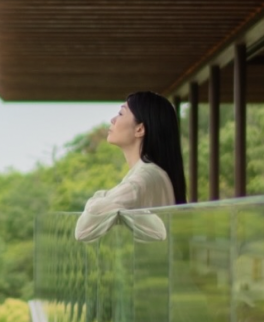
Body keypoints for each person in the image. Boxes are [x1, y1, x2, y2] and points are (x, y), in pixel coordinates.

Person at [75, 91, 186, 242]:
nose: (112, 119)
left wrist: (99, 197)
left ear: (140, 129)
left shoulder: (142, 179)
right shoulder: (151, 173)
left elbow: (82, 231)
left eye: (121, 113)